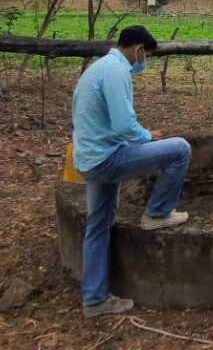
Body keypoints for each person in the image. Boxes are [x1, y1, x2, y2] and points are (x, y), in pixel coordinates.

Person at [71, 25, 192, 317]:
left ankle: (95, 300)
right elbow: (124, 124)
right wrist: (147, 136)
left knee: (98, 226)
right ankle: (158, 213)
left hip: (89, 158)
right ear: (138, 50)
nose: (144, 62)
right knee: (180, 149)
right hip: (106, 158)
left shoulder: (97, 68)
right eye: (145, 55)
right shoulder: (116, 71)